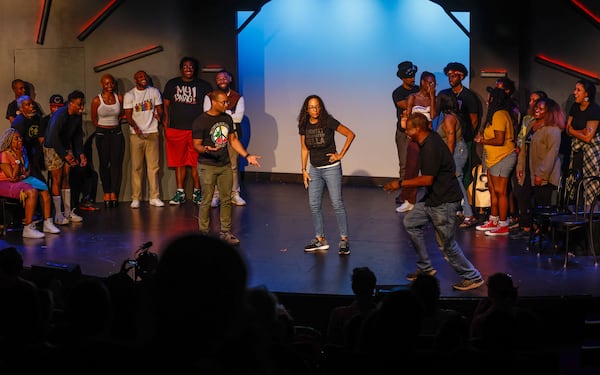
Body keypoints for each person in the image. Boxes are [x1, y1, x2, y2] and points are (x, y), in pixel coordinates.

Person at [383, 112, 484, 291]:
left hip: (444, 202)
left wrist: (399, 183)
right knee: (411, 222)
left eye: (409, 129)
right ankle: (425, 267)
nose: (406, 132)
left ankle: (472, 276)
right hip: (433, 199)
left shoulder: (430, 147)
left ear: (418, 129)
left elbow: (427, 179)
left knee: (446, 245)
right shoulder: (427, 140)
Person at [192, 90, 261, 245]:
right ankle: (204, 233)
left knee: (226, 200)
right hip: (207, 165)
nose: (226, 105)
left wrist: (247, 155)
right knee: (207, 200)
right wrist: (206, 149)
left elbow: (233, 139)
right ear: (214, 102)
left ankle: (225, 233)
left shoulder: (227, 118)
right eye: (223, 102)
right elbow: (196, 145)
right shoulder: (200, 121)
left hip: (224, 165)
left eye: (226, 102)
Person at [299, 95, 356, 255]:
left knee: (337, 204)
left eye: (317, 106)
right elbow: (304, 148)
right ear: (307, 109)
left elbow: (350, 134)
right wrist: (303, 169)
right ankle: (320, 239)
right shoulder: (303, 124)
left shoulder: (328, 121)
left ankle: (344, 240)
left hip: (331, 168)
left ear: (321, 107)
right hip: (314, 169)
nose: (315, 110)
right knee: (314, 204)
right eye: (311, 107)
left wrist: (340, 155)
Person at [163, 56, 212, 205]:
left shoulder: (204, 85)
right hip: (176, 129)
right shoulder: (172, 84)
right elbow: (166, 106)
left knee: (196, 162)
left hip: (196, 131)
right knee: (179, 162)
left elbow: (209, 108)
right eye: (185, 66)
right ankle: (180, 193)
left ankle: (197, 193)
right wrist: (166, 125)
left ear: (195, 68)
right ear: (181, 68)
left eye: (191, 66)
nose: (188, 68)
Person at [514, 98, 564, 239]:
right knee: (522, 196)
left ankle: (544, 232)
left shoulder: (553, 129)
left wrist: (541, 174)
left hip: (544, 173)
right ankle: (526, 227)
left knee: (543, 203)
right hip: (529, 169)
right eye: (536, 107)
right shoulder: (531, 124)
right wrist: (520, 166)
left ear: (549, 112)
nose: (537, 110)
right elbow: (524, 148)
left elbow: (551, 154)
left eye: (541, 109)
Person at [0, 128, 61, 238]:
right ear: (9, 141)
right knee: (32, 191)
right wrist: (18, 158)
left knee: (43, 188)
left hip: (21, 178)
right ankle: (28, 227)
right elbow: (12, 177)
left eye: (20, 138)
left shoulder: (22, 150)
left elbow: (27, 169)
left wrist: (24, 175)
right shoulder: (4, 154)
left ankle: (48, 222)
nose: (20, 140)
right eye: (16, 139)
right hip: (5, 182)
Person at [474, 87, 517, 236]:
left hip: (503, 157)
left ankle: (503, 224)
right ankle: (494, 219)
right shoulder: (495, 115)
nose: (487, 100)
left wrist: (482, 140)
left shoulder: (499, 114)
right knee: (493, 190)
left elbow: (499, 140)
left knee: (500, 191)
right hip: (493, 158)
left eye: (489, 98)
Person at [203, 69, 247, 207]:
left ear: (230, 80)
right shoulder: (209, 97)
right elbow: (207, 115)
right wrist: (228, 113)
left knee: (233, 166)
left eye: (224, 78)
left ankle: (235, 194)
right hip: (215, 135)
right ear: (216, 81)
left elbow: (238, 118)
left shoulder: (237, 97)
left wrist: (219, 113)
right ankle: (216, 195)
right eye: (219, 78)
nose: (222, 80)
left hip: (232, 134)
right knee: (216, 165)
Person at [433, 92, 476, 228]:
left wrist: (447, 159)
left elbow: (451, 141)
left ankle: (469, 215)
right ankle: (454, 210)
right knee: (451, 182)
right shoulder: (449, 116)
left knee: (457, 181)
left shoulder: (449, 118)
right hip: (456, 150)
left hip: (456, 151)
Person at [43, 90, 87, 225]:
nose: (82, 108)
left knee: (66, 178)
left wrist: (80, 153)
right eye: (79, 105)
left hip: (66, 146)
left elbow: (78, 135)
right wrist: (64, 154)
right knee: (57, 179)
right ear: (71, 104)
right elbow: (53, 137)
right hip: (53, 147)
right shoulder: (60, 115)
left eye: (83, 104)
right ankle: (58, 214)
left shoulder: (77, 116)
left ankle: (68, 212)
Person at [396, 71, 437, 213]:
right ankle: (409, 200)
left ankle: (432, 200)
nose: (431, 85)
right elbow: (407, 115)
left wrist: (432, 97)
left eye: (433, 82)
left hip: (429, 139)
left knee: (430, 171)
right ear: (422, 82)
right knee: (411, 169)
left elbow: (433, 116)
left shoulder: (434, 99)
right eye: (429, 82)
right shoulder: (413, 97)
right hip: (414, 138)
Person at [124, 70, 165, 208]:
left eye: (145, 77)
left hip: (152, 132)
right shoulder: (130, 95)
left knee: (153, 167)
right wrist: (135, 128)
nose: (143, 79)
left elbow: (160, 109)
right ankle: (136, 198)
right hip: (136, 135)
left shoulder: (154, 92)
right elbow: (128, 115)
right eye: (140, 77)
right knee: (137, 167)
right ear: (135, 79)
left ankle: (154, 197)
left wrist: (159, 115)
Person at [439, 62, 482, 187]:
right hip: (447, 136)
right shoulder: (445, 93)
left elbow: (474, 119)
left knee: (463, 169)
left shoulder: (469, 96)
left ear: (461, 77)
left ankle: (465, 198)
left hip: (463, 138)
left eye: (454, 76)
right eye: (449, 76)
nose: (450, 78)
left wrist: (467, 135)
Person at [565, 79, 600, 209]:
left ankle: (590, 221)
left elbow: (588, 139)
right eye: (575, 89)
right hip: (577, 153)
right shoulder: (574, 107)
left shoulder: (594, 110)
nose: (575, 92)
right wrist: (578, 131)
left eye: (578, 90)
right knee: (576, 184)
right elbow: (567, 130)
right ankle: (576, 221)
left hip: (590, 154)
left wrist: (573, 131)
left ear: (586, 94)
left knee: (589, 184)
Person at [90, 74, 124, 208]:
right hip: (102, 134)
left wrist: (114, 123)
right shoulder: (96, 100)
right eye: (106, 84)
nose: (109, 86)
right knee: (104, 164)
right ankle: (106, 192)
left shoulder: (119, 98)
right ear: (102, 84)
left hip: (116, 133)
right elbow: (94, 118)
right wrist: (102, 127)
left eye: (111, 84)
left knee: (116, 164)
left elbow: (121, 114)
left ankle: (114, 192)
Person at [392, 61, 419, 205]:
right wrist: (417, 100)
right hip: (404, 132)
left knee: (418, 164)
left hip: (419, 132)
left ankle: (413, 194)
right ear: (403, 78)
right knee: (404, 164)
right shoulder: (398, 93)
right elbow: (407, 105)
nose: (412, 79)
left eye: (413, 75)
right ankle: (404, 193)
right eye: (409, 76)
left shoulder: (418, 89)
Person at [11, 95, 46, 183]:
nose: (32, 106)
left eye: (32, 104)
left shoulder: (38, 118)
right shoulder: (18, 122)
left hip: (35, 153)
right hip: (24, 154)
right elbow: (17, 143)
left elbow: (41, 137)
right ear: (21, 109)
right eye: (28, 105)